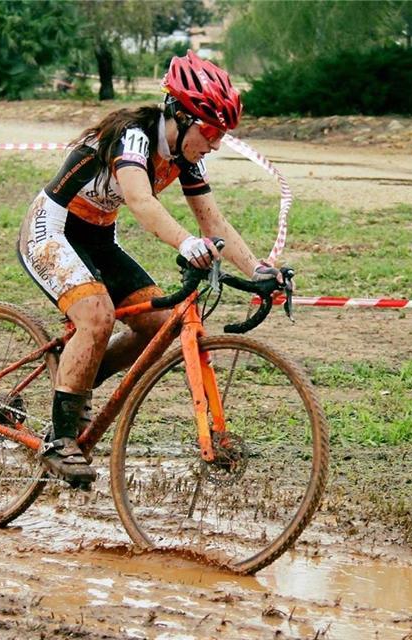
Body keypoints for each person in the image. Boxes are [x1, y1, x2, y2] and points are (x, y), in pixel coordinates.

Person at [17, 51, 280, 485]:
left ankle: (76, 372)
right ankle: (60, 440)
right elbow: (140, 200)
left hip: (98, 236)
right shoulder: (134, 137)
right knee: (97, 316)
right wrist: (186, 242)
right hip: (53, 227)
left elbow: (213, 221)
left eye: (222, 135)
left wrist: (259, 270)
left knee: (159, 325)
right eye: (211, 131)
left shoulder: (186, 156)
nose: (215, 143)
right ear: (179, 114)